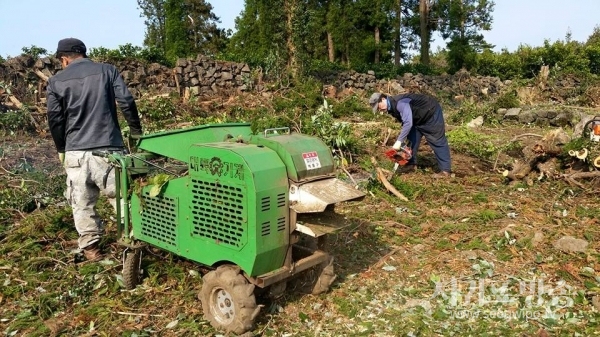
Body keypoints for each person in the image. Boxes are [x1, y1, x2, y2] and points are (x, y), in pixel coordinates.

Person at [46, 38, 143, 261]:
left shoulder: (56, 81)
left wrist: (62, 147)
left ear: (64, 59)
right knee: (122, 198)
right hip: (110, 150)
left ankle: (91, 249)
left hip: (76, 153)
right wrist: (135, 130)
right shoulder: (107, 71)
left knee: (81, 201)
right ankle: (135, 239)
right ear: (83, 53)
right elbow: (126, 101)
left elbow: (55, 118)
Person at [370, 92, 452, 178]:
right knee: (411, 141)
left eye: (378, 106)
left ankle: (445, 171)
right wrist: (402, 141)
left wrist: (399, 140)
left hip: (430, 113)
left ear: (383, 99)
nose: (379, 110)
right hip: (416, 118)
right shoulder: (391, 107)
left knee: (437, 140)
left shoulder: (400, 103)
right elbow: (406, 120)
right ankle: (411, 164)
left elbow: (408, 123)